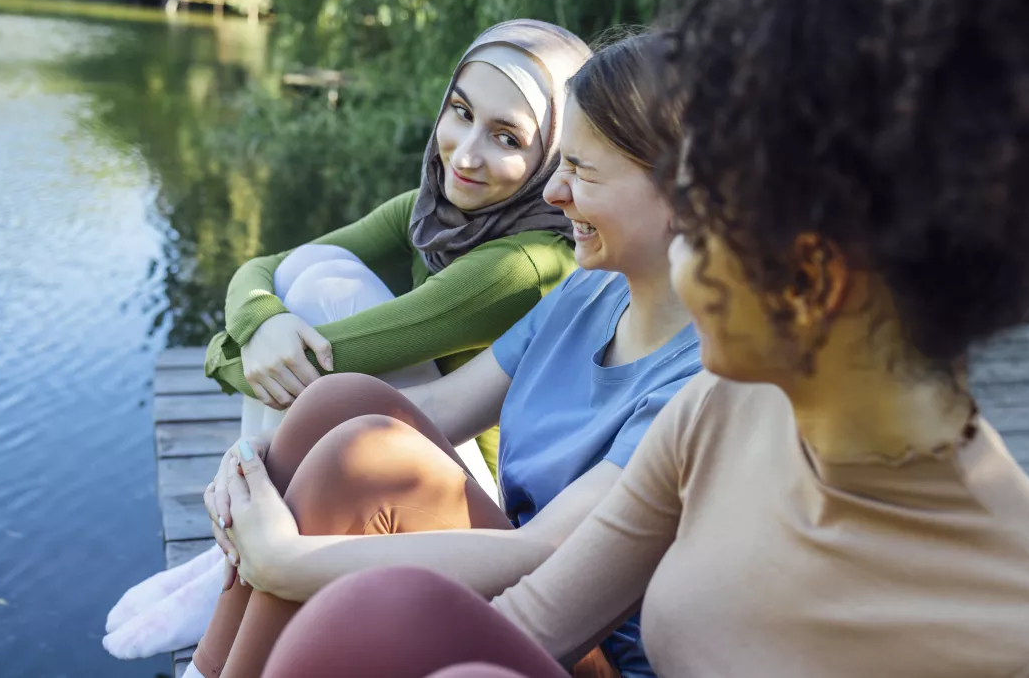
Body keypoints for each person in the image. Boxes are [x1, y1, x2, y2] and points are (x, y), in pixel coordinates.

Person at [257, 0, 1029, 676]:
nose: (679, 243)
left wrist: (298, 563)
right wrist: (301, 563)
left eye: (704, 207)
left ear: (817, 271)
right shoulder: (717, 411)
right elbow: (527, 617)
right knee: (377, 613)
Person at [187, 33, 700, 678]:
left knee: (361, 479)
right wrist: (259, 460)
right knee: (343, 405)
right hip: (511, 572)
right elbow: (441, 408)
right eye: (560, 164)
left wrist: (289, 562)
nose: (553, 193)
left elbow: (555, 552)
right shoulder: (590, 290)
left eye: (583, 172)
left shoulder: (703, 378)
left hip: (577, 643)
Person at [102, 18, 590, 659]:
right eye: (460, 113)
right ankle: (244, 542)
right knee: (308, 272)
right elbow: (267, 267)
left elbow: (332, 362)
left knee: (322, 302)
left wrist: (233, 351)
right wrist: (257, 324)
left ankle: (246, 551)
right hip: (427, 438)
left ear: (552, 156)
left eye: (506, 138)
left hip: (470, 502)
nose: (466, 153)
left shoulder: (526, 262)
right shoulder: (434, 212)